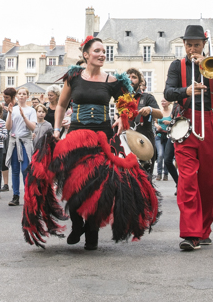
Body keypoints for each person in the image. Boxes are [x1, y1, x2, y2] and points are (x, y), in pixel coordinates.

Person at [22, 36, 158, 250]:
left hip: (102, 139)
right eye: (97, 51)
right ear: (86, 54)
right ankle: (77, 225)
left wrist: (122, 118)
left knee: (98, 187)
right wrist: (56, 129)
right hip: (75, 138)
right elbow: (61, 105)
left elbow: (127, 106)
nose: (102, 54)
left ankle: (92, 231)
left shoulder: (113, 81)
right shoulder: (74, 77)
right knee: (73, 184)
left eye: (104, 51)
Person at [164, 25, 213, 251]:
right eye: (189, 45)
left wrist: (210, 66)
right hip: (186, 123)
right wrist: (186, 91)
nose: (192, 49)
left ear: (204, 44)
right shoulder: (177, 66)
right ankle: (191, 233)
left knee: (209, 182)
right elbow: (168, 92)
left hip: (210, 122)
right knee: (187, 179)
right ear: (184, 45)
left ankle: (203, 230)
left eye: (197, 45)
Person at [126, 68, 161, 178]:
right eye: (128, 77)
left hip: (144, 140)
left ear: (140, 81)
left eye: (134, 77)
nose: (130, 79)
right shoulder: (123, 98)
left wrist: (150, 109)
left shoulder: (147, 97)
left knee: (145, 177)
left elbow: (160, 114)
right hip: (127, 141)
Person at [5, 88, 36, 207]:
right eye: (20, 94)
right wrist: (10, 113)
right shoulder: (13, 109)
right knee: (15, 169)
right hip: (14, 141)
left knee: (25, 169)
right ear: (17, 96)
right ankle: (15, 196)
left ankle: (28, 195)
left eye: (24, 94)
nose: (21, 96)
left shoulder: (31, 110)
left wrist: (24, 116)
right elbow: (8, 127)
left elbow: (32, 127)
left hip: (25, 141)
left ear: (27, 96)